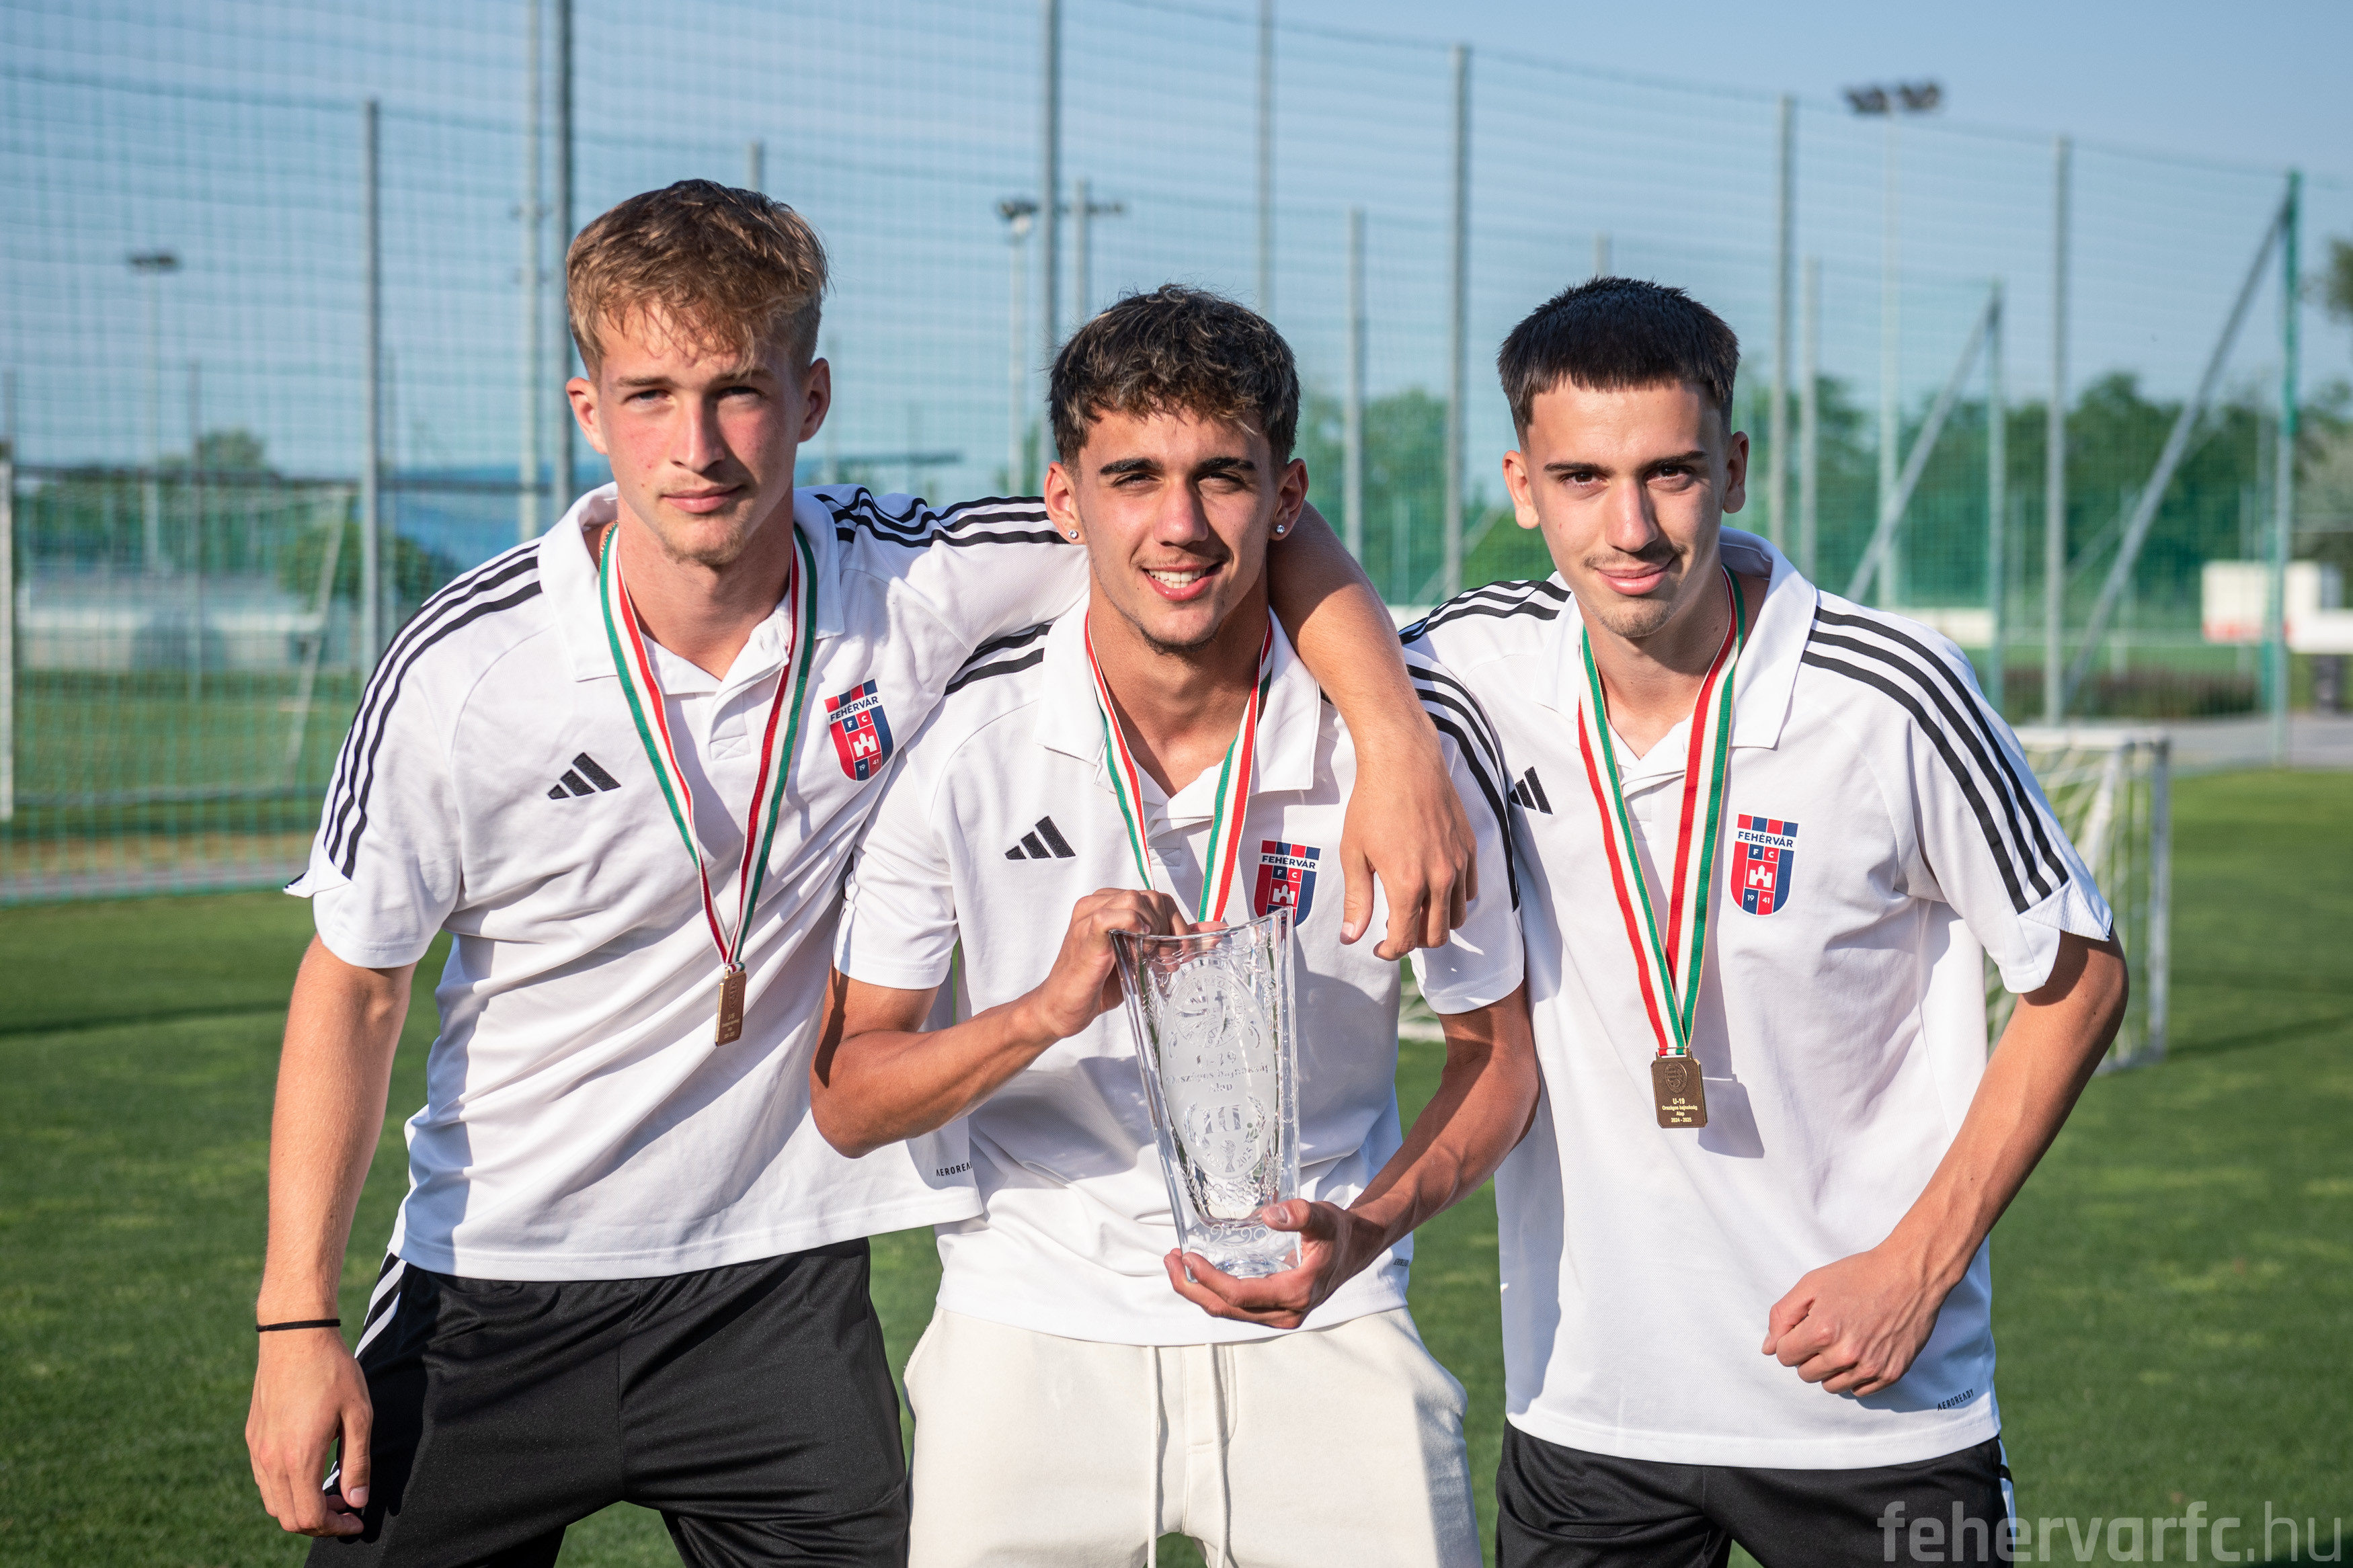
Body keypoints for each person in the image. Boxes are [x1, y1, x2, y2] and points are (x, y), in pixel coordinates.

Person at [242, 181, 1480, 1567]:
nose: (697, 446)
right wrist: (295, 1319)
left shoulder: (923, 580)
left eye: (738, 391)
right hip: (499, 1268)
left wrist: (1393, 740)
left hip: (778, 1280)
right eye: (650, 396)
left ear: (811, 397)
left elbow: (1231, 517)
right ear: (588, 410)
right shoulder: (466, 666)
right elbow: (355, 990)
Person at [1403, 277, 2130, 1567]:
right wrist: (1387, 753)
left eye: (1671, 473)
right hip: (1589, 1401)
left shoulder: (1891, 693)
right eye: (1582, 479)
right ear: (1521, 485)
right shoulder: (1465, 666)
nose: (1631, 526)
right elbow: (1260, 561)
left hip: (1870, 1403)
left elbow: (2079, 976)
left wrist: (1916, 1268)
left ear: (1733, 468)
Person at [811, 285, 1540, 1568]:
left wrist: (1364, 1233)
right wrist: (1041, 1012)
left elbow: (1500, 1059)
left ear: (1286, 494)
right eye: (1134, 477)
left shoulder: (1403, 748)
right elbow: (849, 1097)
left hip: (1327, 1310)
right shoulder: (968, 742)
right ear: (1064, 498)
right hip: (1029, 1318)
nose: (1181, 524)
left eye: (1223, 476)